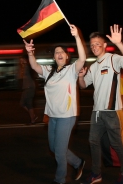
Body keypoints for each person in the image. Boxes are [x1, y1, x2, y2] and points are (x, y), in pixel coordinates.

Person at [23, 24, 86, 184]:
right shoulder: (49, 71)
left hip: (67, 116)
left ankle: (60, 180)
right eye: (56, 52)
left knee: (59, 152)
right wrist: (30, 53)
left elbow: (83, 58)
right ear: (54, 57)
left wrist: (77, 36)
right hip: (52, 116)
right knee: (54, 148)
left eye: (62, 52)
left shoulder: (71, 70)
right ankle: (78, 162)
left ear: (66, 57)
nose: (59, 53)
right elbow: (34, 66)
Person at [78, 24, 123, 184]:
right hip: (97, 113)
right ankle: (96, 173)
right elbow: (83, 85)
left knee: (117, 144)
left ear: (104, 45)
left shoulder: (113, 59)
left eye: (97, 44)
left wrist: (119, 43)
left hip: (111, 111)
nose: (94, 47)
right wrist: (81, 76)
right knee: (93, 142)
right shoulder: (94, 66)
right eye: (92, 45)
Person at [19, 55, 38, 124]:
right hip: (28, 88)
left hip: (29, 88)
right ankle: (33, 117)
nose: (20, 62)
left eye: (21, 60)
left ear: (25, 60)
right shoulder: (26, 67)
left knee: (25, 104)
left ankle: (33, 118)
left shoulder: (27, 67)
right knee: (26, 104)